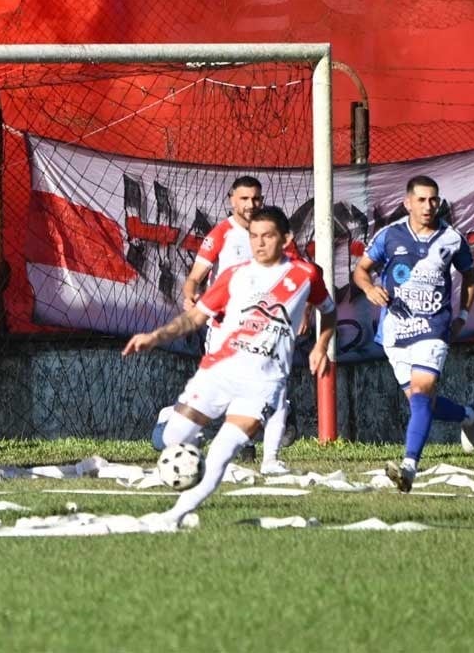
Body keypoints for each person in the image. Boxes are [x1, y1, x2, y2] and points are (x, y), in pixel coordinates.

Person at [125, 207, 335, 526]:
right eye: (253, 236)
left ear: (286, 239)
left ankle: (173, 516)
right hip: (219, 371)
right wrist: (155, 336)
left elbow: (329, 312)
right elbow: (196, 317)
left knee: (222, 452)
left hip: (262, 383)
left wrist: (321, 345)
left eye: (267, 236)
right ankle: (178, 432)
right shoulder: (234, 274)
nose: (259, 243)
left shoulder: (307, 274)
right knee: (172, 439)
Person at [352, 175, 474, 493]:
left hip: (434, 328)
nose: (428, 206)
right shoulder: (389, 236)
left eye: (433, 199)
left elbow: (470, 275)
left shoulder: (451, 238)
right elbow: (361, 269)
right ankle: (469, 415)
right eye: (421, 200)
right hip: (396, 330)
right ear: (407, 202)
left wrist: (462, 316)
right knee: (422, 403)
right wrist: (369, 288)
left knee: (422, 394)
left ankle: (409, 467)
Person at [176, 175, 298, 474]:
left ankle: (270, 457)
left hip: (266, 329)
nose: (250, 204)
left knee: (274, 388)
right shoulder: (220, 234)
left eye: (256, 198)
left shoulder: (273, 233)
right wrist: (190, 295)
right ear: (232, 199)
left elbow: (297, 273)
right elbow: (195, 276)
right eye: (244, 199)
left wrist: (304, 309)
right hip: (224, 327)